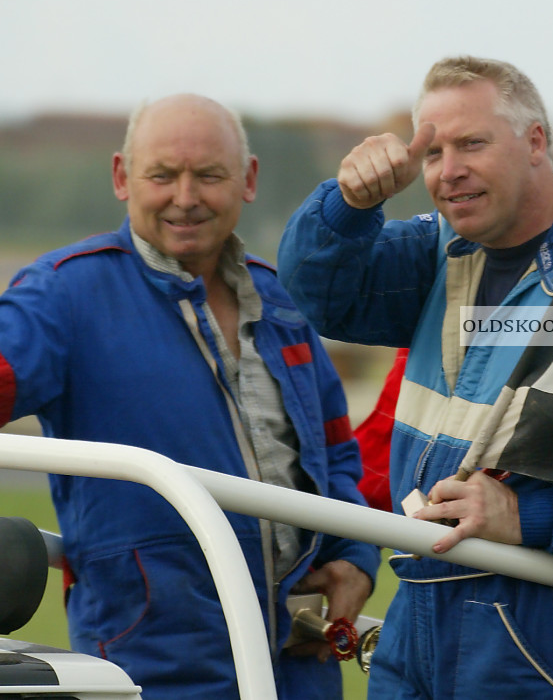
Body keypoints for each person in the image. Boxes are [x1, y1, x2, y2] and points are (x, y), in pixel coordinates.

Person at [278, 56, 553, 699]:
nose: (450, 170)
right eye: (434, 150)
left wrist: (531, 518)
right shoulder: (435, 248)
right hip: (418, 612)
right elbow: (320, 295)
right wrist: (350, 204)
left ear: (534, 144)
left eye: (472, 143)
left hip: (549, 630)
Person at [0, 94, 378, 699]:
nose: (185, 196)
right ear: (123, 178)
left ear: (248, 180)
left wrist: (356, 557)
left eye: (208, 175)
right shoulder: (65, 295)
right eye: (162, 175)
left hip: (301, 664)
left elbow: (337, 455)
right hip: (151, 666)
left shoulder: (282, 300)